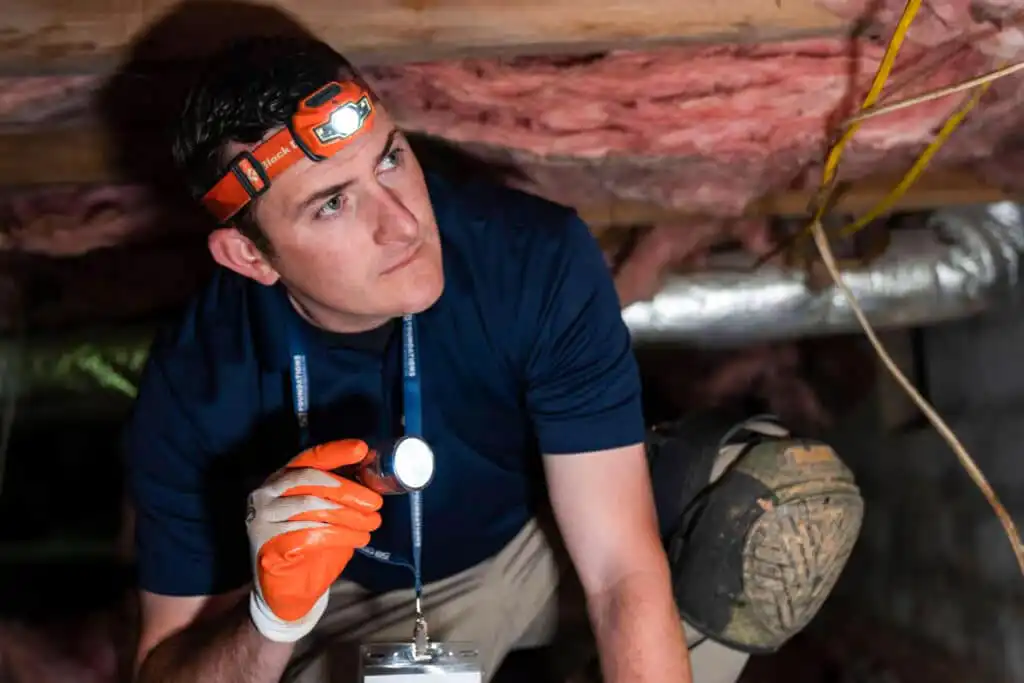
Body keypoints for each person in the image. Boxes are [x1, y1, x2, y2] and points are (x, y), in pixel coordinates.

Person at [123, 34, 864, 683]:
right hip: (359, 611)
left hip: (536, 547)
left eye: (389, 159)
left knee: (775, 507)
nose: (403, 222)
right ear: (249, 255)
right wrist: (271, 617)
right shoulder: (193, 386)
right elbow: (161, 665)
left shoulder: (530, 259)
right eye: (332, 204)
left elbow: (617, 567)